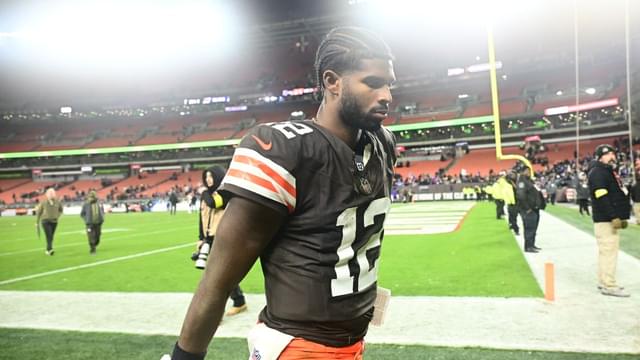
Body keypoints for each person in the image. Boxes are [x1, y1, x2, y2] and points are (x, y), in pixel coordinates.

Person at [168, 27, 397, 360]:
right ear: (332, 81)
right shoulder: (284, 150)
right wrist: (184, 357)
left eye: (390, 83)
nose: (387, 95)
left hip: (352, 343)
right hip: (296, 348)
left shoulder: (382, 144)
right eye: (373, 83)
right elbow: (216, 282)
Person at [192, 166, 247, 316]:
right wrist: (201, 238)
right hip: (209, 239)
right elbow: (201, 218)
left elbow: (214, 203)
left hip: (222, 238)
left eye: (211, 176)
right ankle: (239, 301)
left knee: (217, 275)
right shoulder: (207, 195)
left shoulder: (224, 192)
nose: (208, 179)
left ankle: (216, 312)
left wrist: (204, 194)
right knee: (219, 274)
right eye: (206, 177)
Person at [588, 144, 631, 297]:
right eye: (611, 154)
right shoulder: (599, 172)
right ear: (603, 155)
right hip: (605, 219)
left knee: (605, 252)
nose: (613, 157)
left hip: (606, 218)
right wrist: (613, 216)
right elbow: (602, 197)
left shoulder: (602, 171)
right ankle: (609, 285)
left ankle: (603, 281)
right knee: (609, 252)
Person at [515, 165, 543, 253]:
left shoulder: (528, 180)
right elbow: (521, 196)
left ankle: (532, 244)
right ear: (522, 172)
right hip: (528, 209)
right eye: (527, 171)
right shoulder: (522, 182)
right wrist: (527, 208)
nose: (529, 173)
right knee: (529, 228)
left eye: (529, 171)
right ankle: (528, 246)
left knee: (533, 228)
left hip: (534, 208)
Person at [35, 188, 63, 256]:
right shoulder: (43, 202)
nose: (51, 195)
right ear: (47, 195)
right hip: (45, 221)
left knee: (51, 236)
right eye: (49, 193)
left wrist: (57, 216)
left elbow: (61, 210)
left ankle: (48, 250)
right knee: (49, 235)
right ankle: (50, 249)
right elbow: (39, 212)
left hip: (54, 221)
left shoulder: (57, 202)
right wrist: (37, 222)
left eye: (52, 193)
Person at [80, 190, 105, 255]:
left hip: (98, 223)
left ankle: (95, 244)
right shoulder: (86, 204)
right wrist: (86, 220)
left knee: (98, 236)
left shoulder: (99, 203)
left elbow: (102, 211)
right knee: (91, 236)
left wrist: (102, 218)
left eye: (93, 197)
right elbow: (82, 214)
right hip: (89, 224)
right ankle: (92, 249)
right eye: (91, 197)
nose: (91, 198)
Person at [505, 171, 520, 235]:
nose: (512, 176)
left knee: (514, 215)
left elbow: (517, 188)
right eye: (510, 175)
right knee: (512, 215)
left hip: (517, 201)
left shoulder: (517, 181)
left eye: (513, 174)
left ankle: (513, 226)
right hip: (511, 201)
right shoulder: (508, 182)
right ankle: (515, 228)